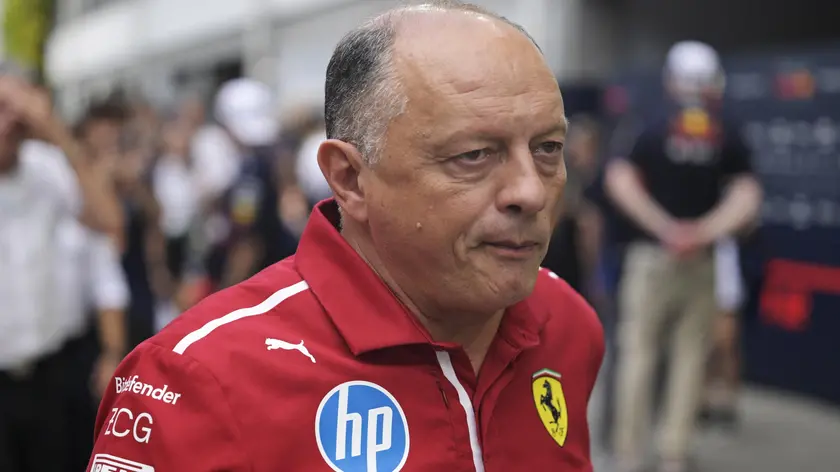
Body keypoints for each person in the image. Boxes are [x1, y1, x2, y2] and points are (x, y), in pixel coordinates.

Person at [86, 2, 604, 471]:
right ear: (351, 179)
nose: (530, 192)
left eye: (548, 148)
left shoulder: (564, 322)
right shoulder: (197, 379)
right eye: (473, 155)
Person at [605, 41, 762, 472]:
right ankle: (673, 453)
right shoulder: (727, 126)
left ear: (671, 79)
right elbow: (747, 194)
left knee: (638, 353)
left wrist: (665, 229)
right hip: (701, 259)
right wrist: (704, 231)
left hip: (650, 256)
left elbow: (619, 179)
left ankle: (628, 453)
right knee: (690, 356)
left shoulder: (649, 120)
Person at [0, 70, 123, 472]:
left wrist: (54, 130)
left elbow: (108, 221)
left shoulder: (46, 166)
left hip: (50, 376)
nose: (10, 122)